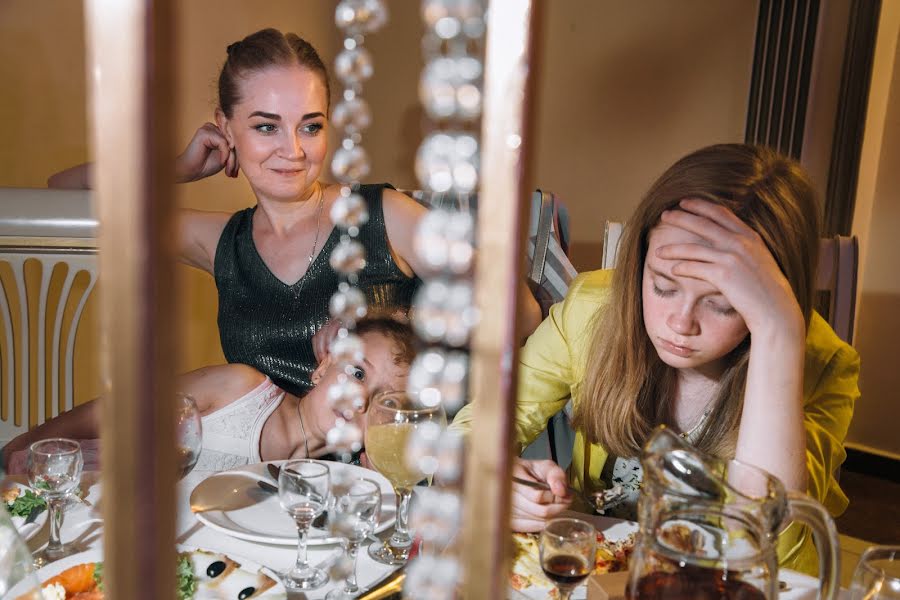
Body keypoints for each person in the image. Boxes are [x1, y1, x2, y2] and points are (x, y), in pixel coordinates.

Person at [47, 28, 543, 397]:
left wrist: (386, 317)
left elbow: (520, 313)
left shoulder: (383, 216)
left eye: (310, 127)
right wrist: (175, 168)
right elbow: (64, 191)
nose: (293, 150)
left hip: (386, 485)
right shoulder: (220, 240)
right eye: (266, 127)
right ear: (225, 127)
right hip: (268, 485)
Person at [451, 143, 860, 575]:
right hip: (599, 571)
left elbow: (774, 551)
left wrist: (778, 335)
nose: (681, 323)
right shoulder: (593, 308)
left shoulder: (822, 365)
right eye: (664, 286)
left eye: (722, 304)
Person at [2, 315, 416, 473]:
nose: (362, 400)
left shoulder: (329, 485)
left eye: (384, 399)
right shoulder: (242, 388)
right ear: (323, 365)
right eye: (357, 372)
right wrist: (21, 447)